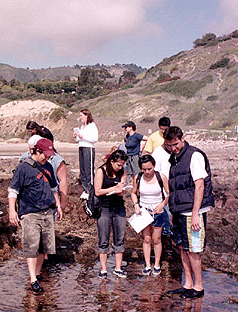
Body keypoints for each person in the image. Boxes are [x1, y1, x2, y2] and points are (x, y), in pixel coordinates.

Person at [163, 126, 214, 299]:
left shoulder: (194, 155)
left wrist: (195, 214)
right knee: (183, 248)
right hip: (179, 211)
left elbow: (199, 185)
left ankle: (198, 288)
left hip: (192, 211)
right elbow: (175, 187)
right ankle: (188, 284)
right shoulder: (175, 158)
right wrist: (173, 212)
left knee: (193, 250)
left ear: (182, 138)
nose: (173, 148)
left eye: (175, 144)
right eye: (170, 145)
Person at [8, 138, 63, 294]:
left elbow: (54, 188)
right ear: (36, 151)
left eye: (49, 155)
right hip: (30, 212)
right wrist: (12, 211)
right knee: (31, 246)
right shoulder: (23, 168)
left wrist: (58, 205)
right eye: (45, 155)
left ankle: (37, 274)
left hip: (47, 211)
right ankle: (33, 279)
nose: (48, 158)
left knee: (43, 247)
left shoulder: (48, 167)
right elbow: (13, 191)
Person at [130, 155, 170, 276]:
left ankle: (157, 264)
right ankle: (147, 265)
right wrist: (136, 205)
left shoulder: (161, 177)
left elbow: (169, 194)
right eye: (144, 169)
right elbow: (133, 193)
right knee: (146, 239)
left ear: (154, 166)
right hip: (144, 212)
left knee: (156, 239)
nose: (147, 172)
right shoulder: (138, 177)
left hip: (158, 212)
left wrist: (162, 205)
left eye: (149, 169)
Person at [94, 150, 128, 278]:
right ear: (112, 161)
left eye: (122, 165)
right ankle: (103, 269)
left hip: (119, 207)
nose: (120, 167)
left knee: (119, 238)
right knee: (103, 238)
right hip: (104, 207)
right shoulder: (101, 171)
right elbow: (97, 191)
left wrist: (121, 190)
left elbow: (123, 184)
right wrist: (113, 188)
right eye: (118, 165)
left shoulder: (122, 171)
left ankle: (118, 268)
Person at [20, 133, 69, 210]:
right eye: (30, 149)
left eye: (33, 149)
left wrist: (62, 203)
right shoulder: (24, 158)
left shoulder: (56, 160)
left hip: (49, 202)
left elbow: (62, 181)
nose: (31, 152)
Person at [73, 109, 98, 200]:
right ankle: (85, 189)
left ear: (87, 116)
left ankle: (91, 190)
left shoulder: (92, 126)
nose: (80, 118)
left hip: (89, 148)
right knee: (82, 170)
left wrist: (83, 136)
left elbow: (94, 139)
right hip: (81, 147)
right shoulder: (82, 127)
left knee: (88, 170)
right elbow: (80, 140)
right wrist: (76, 137)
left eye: (81, 116)